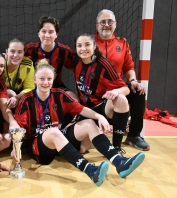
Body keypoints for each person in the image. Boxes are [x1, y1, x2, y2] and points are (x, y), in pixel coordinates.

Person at [12, 59, 145, 186]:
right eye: (41, 79)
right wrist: (15, 149)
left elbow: (82, 109)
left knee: (89, 123)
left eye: (49, 79)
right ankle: (90, 171)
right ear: (35, 80)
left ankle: (119, 162)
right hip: (39, 146)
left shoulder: (59, 94)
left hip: (59, 138)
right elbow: (17, 129)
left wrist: (99, 117)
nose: (45, 82)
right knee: (53, 132)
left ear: (53, 80)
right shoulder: (26, 99)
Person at [95, 9, 150, 151]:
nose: (106, 25)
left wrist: (133, 80)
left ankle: (134, 135)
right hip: (98, 92)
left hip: (118, 89)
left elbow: (128, 66)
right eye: (103, 22)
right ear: (97, 26)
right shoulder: (90, 43)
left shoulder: (123, 43)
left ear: (115, 24)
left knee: (139, 92)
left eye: (110, 22)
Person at [71, 33, 130, 154]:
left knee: (121, 99)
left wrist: (115, 91)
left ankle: (117, 147)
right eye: (79, 45)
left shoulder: (103, 64)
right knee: (81, 149)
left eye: (87, 45)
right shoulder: (75, 59)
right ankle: (95, 131)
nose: (83, 49)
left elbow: (126, 89)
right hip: (86, 110)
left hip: (102, 107)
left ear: (94, 46)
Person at [25, 16, 78, 101]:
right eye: (44, 31)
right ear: (39, 33)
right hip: (34, 87)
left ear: (56, 34)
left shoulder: (64, 51)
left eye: (51, 32)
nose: (47, 35)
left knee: (74, 100)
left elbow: (77, 70)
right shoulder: (30, 50)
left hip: (56, 86)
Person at [2, 38, 35, 108]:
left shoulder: (28, 65)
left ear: (23, 53)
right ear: (7, 52)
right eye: (12, 51)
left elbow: (30, 88)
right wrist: (6, 92)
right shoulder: (0, 63)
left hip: (18, 98)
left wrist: (17, 97)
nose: (16, 55)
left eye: (20, 52)